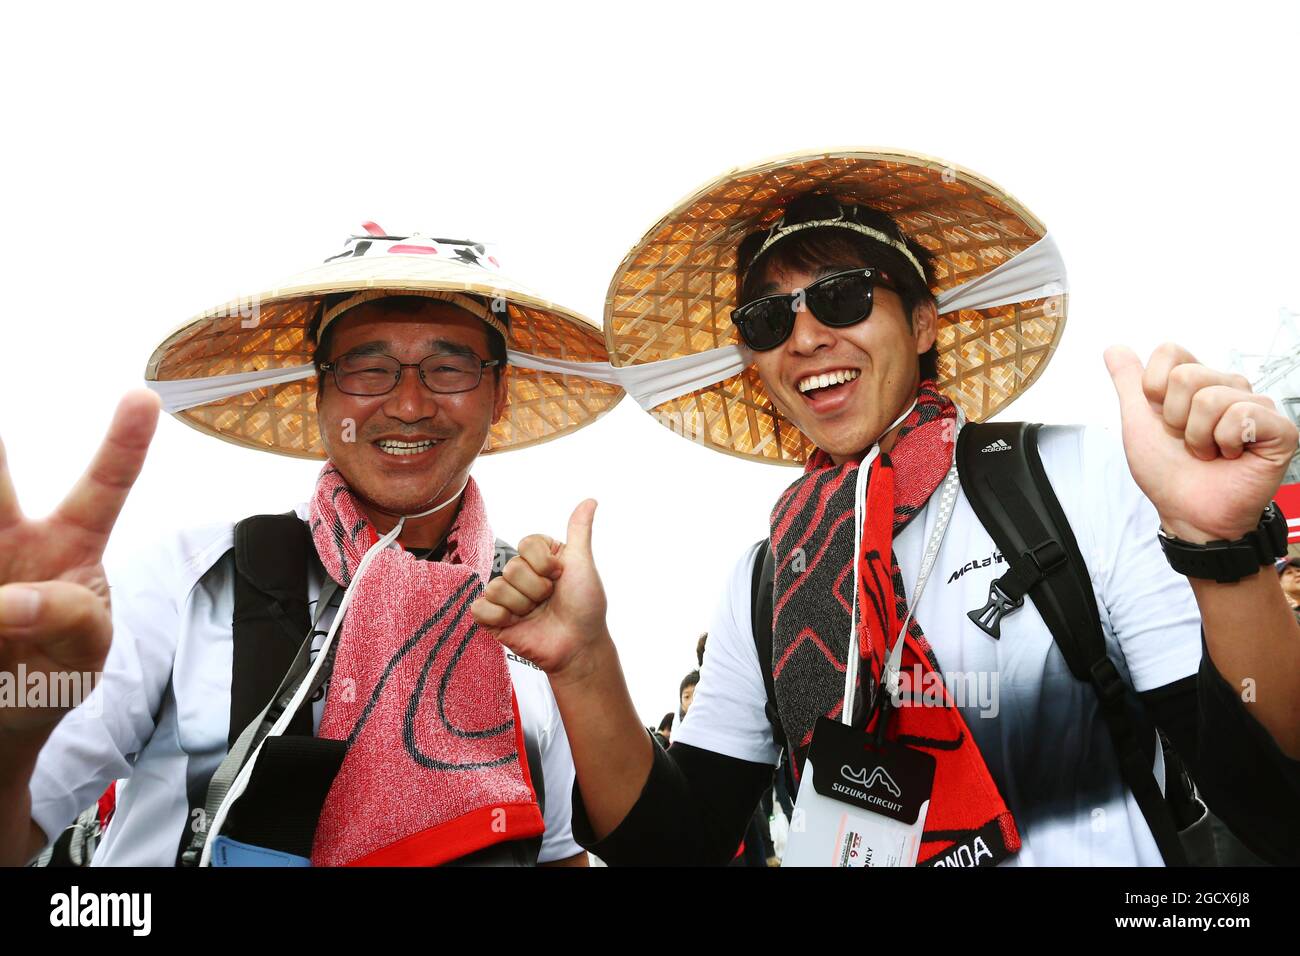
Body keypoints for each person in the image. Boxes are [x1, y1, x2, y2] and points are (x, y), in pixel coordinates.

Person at [472, 150, 1300, 866]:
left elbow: (1270, 791)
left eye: (841, 295)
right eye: (767, 318)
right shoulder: (767, 581)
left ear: (924, 319)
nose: (804, 338)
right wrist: (583, 664)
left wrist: (1221, 550)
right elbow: (678, 845)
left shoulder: (1070, 479)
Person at [1, 224, 624, 867]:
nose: (409, 404)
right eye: (366, 367)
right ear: (320, 392)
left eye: (450, 367)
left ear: (497, 395)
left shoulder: (535, 616)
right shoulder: (189, 583)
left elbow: (556, 854)